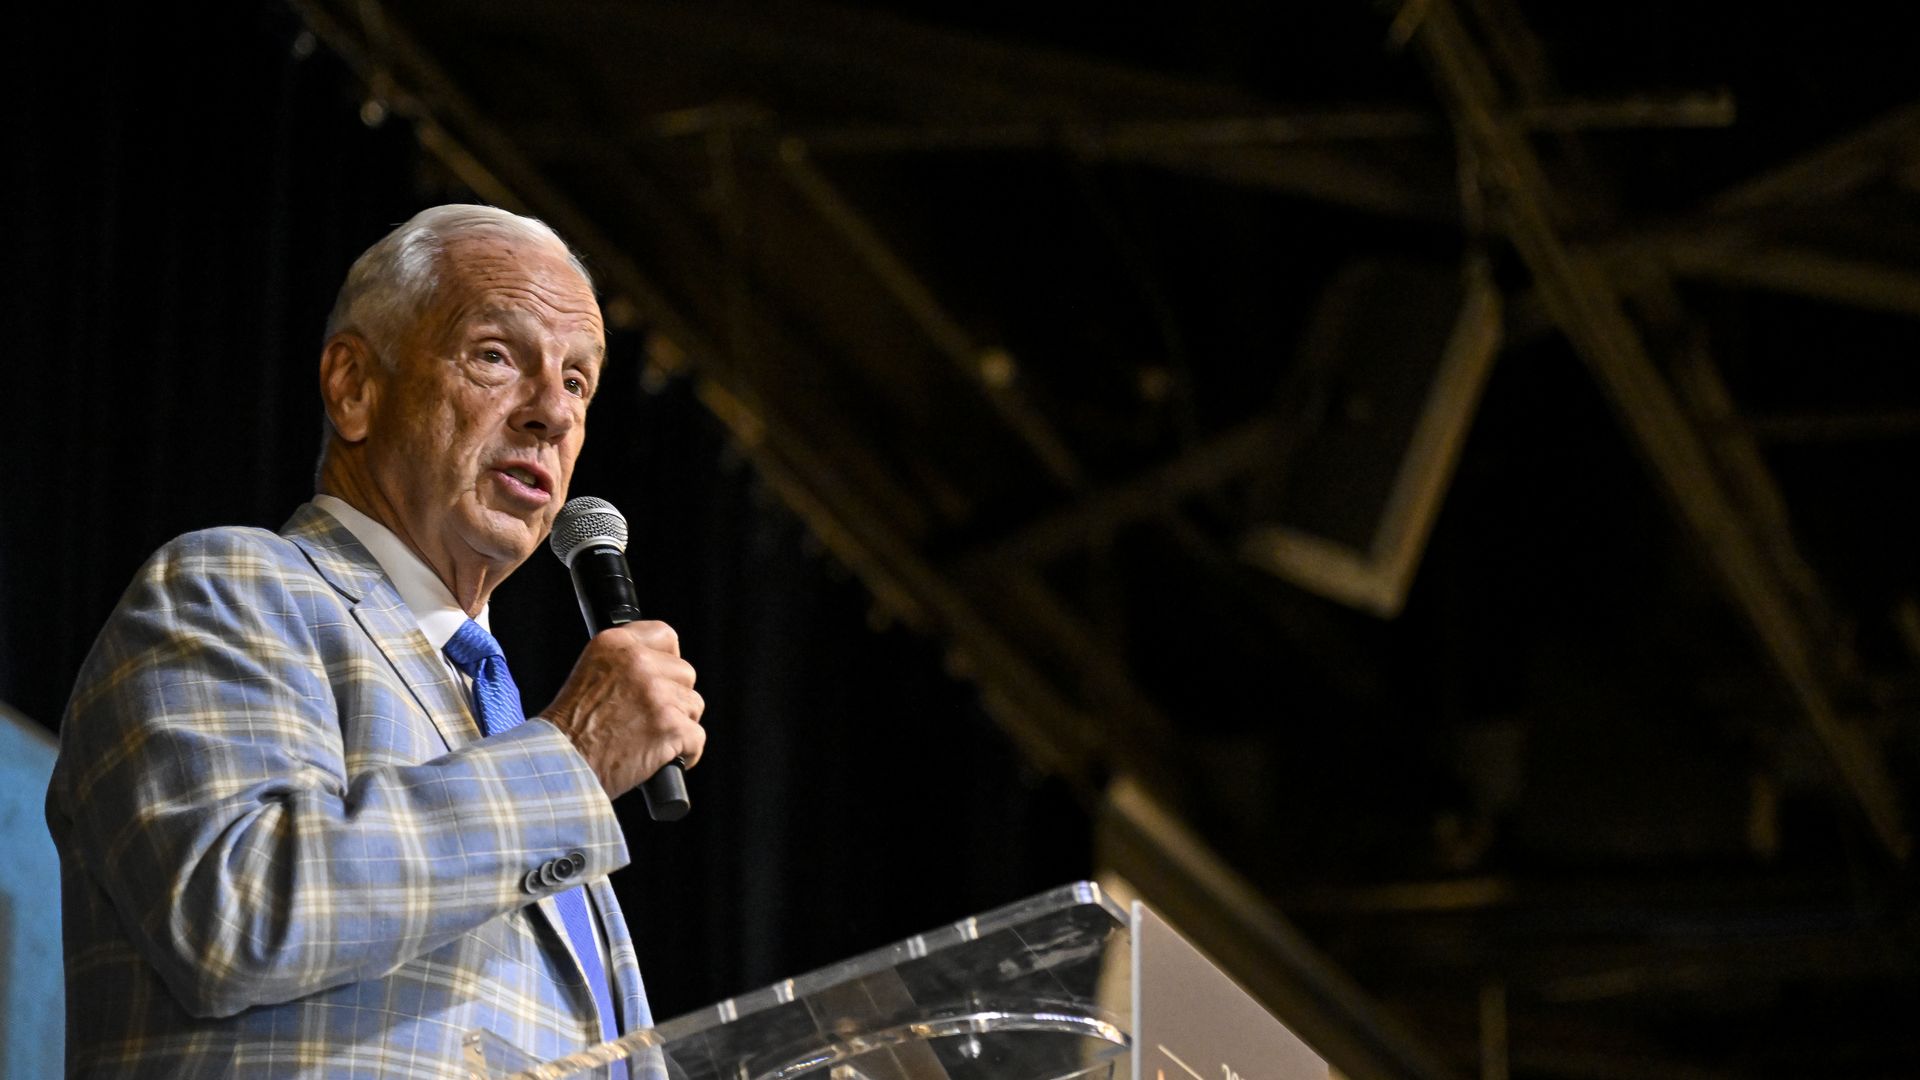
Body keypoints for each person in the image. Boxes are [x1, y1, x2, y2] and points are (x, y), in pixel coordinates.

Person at [45, 204, 705, 1078]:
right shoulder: (230, 587)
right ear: (355, 388)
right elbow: (237, 913)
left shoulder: (503, 726)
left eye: (578, 381)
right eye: (497, 357)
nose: (551, 411)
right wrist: (575, 759)